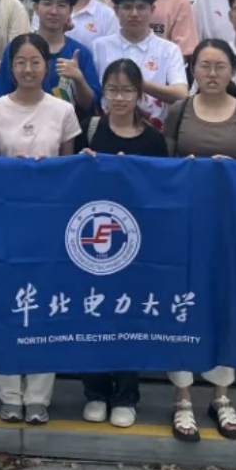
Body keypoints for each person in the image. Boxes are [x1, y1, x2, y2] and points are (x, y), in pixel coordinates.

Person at [163, 39, 236, 443]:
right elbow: (165, 171)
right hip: (184, 227)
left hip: (229, 229)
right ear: (193, 70)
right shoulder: (179, 111)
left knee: (225, 304)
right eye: (204, 65)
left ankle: (221, 395)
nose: (212, 73)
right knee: (182, 307)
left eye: (220, 66)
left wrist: (233, 169)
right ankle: (183, 397)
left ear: (232, 70)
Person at [0, 33, 82, 425]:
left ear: (46, 66)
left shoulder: (63, 110)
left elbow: (70, 173)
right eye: (20, 62)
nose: (27, 69)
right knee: (6, 306)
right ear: (10, 67)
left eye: (35, 61)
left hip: (50, 226)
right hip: (6, 223)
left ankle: (39, 396)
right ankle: (9, 393)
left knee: (45, 309)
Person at [79, 58, 168, 428]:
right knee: (93, 314)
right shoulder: (90, 129)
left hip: (137, 243)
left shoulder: (153, 139)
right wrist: (81, 163)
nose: (119, 97)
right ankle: (95, 391)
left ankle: (127, 395)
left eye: (127, 90)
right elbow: (70, 185)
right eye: (112, 90)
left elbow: (163, 191)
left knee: (130, 317)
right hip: (92, 242)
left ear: (140, 94)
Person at [0, 0, 100, 114]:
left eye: (61, 5)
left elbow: (91, 105)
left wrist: (78, 79)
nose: (54, 11)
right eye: (47, 3)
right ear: (36, 8)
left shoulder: (80, 53)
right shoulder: (15, 49)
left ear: (70, 10)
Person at [92, 0, 188, 132]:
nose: (134, 14)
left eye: (141, 7)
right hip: (107, 128)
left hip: (154, 131)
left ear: (152, 10)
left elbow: (181, 94)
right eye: (127, 7)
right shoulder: (99, 46)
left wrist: (137, 84)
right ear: (116, 10)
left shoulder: (169, 50)